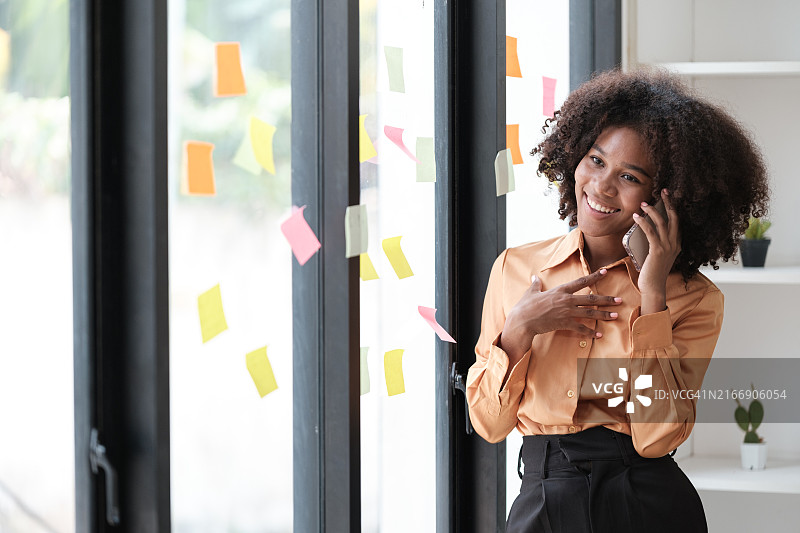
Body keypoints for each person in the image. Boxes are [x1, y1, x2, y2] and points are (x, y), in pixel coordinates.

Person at [466, 68, 770, 533]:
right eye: (596, 159)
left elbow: (655, 438)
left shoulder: (694, 300)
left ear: (667, 199)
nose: (602, 186)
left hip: (644, 505)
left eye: (630, 176)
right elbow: (489, 424)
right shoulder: (516, 270)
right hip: (542, 500)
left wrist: (652, 296)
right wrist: (519, 331)